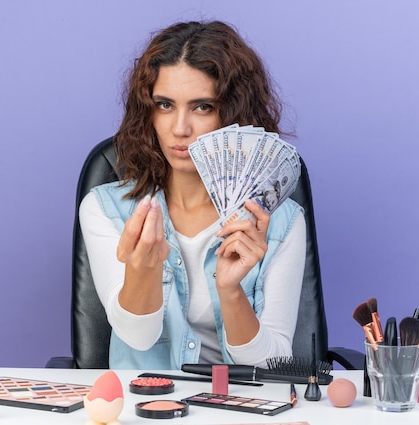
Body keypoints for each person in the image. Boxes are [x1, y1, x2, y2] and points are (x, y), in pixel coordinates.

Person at [79, 20, 306, 369]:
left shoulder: (283, 222)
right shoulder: (106, 209)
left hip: (238, 409)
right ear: (147, 111)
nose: (180, 129)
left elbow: (273, 364)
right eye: (165, 105)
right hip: (148, 408)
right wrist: (144, 269)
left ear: (234, 114)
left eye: (203, 107)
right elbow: (138, 338)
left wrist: (231, 292)